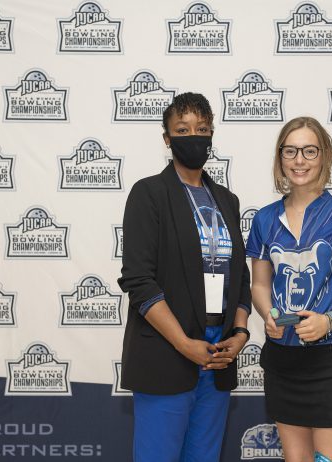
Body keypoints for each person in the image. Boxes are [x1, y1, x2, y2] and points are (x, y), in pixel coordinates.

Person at [118, 92, 251, 462]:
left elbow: (240, 278)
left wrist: (239, 333)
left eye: (202, 129)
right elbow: (139, 281)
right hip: (167, 349)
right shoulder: (149, 194)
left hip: (219, 353)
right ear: (167, 138)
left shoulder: (227, 200)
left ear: (211, 135)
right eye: (182, 129)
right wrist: (182, 343)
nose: (193, 136)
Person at [246, 117, 332, 462]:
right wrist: (268, 314)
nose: (299, 160)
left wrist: (330, 321)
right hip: (282, 360)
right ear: (280, 157)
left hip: (331, 361)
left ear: (324, 157)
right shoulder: (264, 220)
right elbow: (259, 284)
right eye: (290, 151)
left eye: (309, 151)